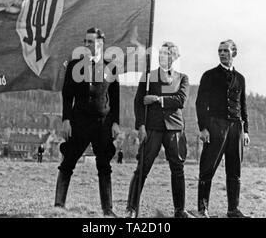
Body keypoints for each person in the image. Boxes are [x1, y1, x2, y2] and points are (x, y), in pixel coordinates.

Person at [54, 27, 120, 217]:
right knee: (68, 162)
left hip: (103, 124)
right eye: (85, 42)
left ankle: (108, 210)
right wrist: (66, 119)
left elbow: (115, 98)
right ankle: (58, 205)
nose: (86, 45)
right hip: (79, 121)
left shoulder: (111, 67)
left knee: (104, 165)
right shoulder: (75, 65)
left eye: (90, 42)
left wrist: (115, 122)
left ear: (100, 43)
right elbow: (67, 95)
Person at [125, 42, 193, 218]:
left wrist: (156, 99)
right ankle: (131, 209)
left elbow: (180, 101)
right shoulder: (148, 76)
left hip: (175, 128)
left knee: (177, 168)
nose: (162, 56)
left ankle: (180, 210)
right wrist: (140, 125)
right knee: (142, 167)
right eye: (161, 53)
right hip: (152, 127)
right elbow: (138, 101)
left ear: (174, 57)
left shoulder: (182, 78)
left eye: (167, 53)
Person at [195, 39, 251, 218]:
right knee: (207, 168)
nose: (222, 53)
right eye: (219, 51)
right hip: (215, 126)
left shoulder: (240, 78)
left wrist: (246, 131)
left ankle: (233, 209)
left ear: (234, 53)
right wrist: (203, 128)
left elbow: (243, 106)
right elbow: (200, 104)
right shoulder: (209, 75)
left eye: (226, 51)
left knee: (234, 170)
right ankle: (203, 209)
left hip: (236, 128)